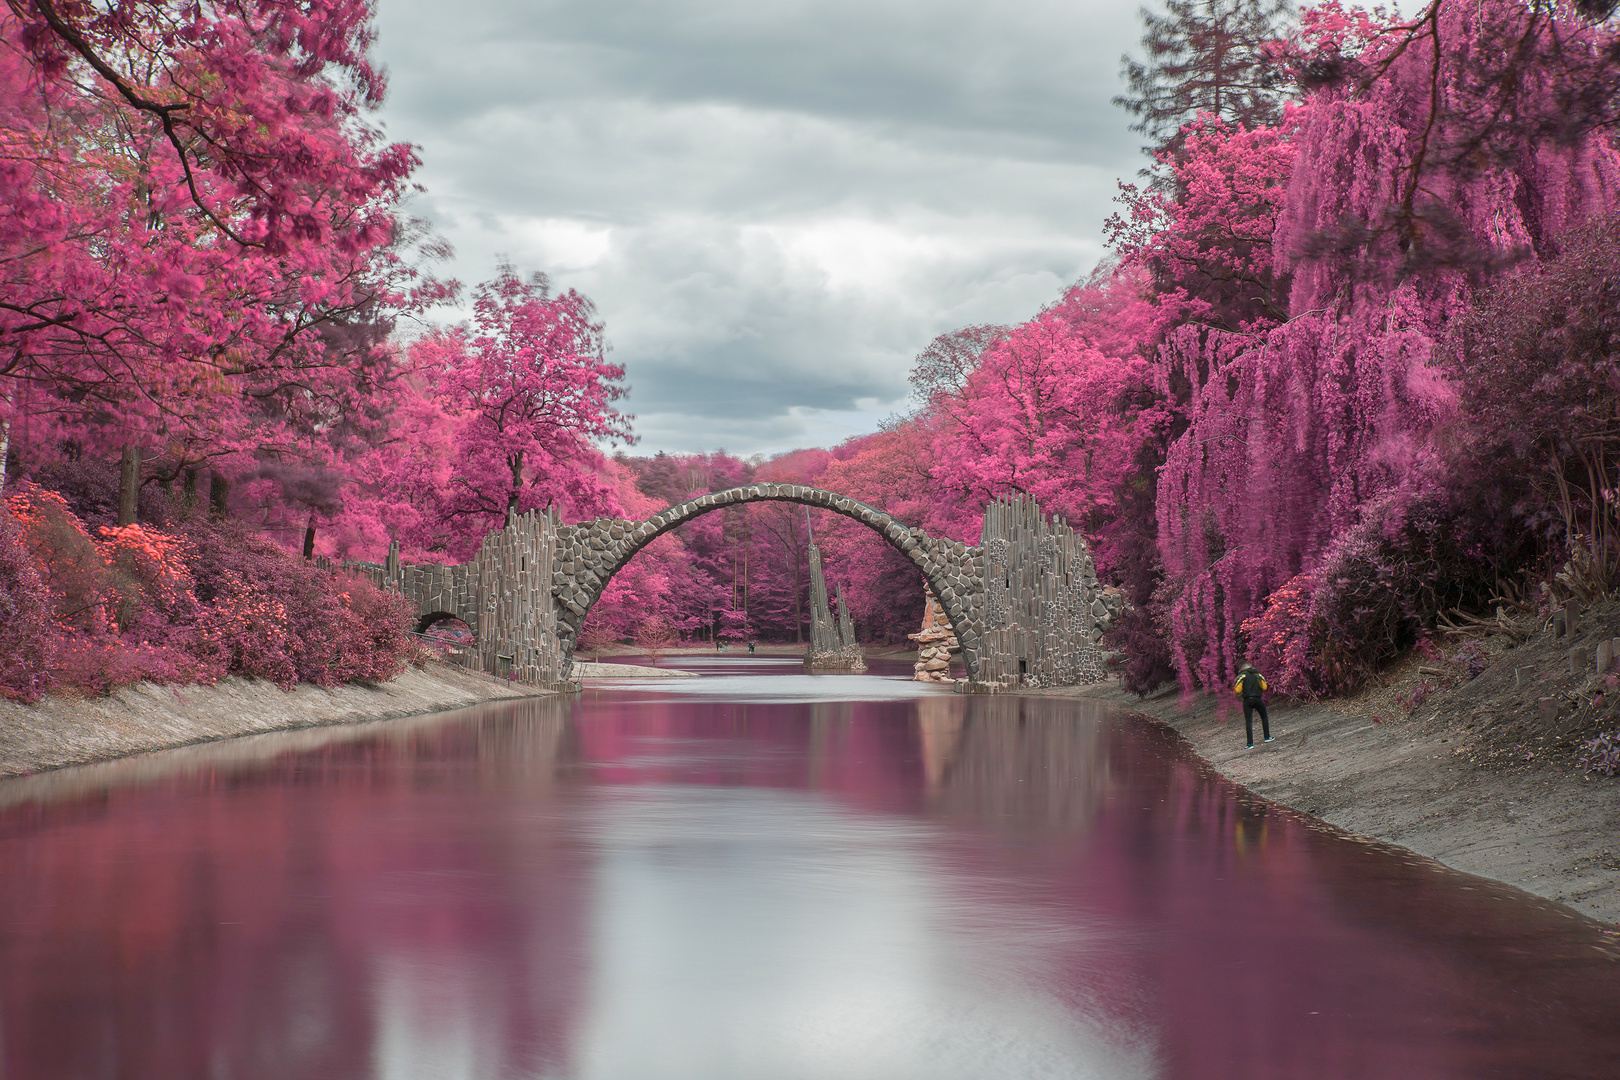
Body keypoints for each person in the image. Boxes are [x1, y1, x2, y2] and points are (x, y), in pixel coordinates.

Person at [1233, 662, 1272, 749]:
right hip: (1258, 699)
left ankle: (1250, 744)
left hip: (1247, 700)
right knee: (1264, 717)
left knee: (1248, 721)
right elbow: (1264, 687)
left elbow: (1237, 690)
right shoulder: (1257, 674)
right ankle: (1267, 737)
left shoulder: (1242, 676)